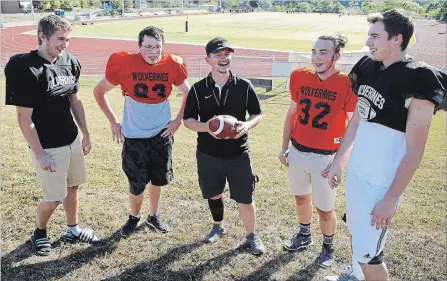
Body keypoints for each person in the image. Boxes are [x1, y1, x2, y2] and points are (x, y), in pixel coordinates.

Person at [324, 10, 447, 281]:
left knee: (370, 254)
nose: (368, 42)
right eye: (369, 35)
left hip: (381, 181)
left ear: (397, 39)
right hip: (358, 171)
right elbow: (355, 122)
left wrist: (390, 198)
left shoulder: (420, 78)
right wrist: (338, 162)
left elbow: (415, 151)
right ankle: (355, 276)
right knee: (356, 231)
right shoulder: (368, 67)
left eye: (375, 36)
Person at [4, 15, 98, 256]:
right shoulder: (25, 67)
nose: (64, 45)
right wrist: (40, 155)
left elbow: (75, 102)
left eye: (67, 39)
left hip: (71, 139)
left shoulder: (70, 61)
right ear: (42, 37)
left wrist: (85, 134)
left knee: (73, 186)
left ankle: (73, 229)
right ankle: (39, 232)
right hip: (48, 146)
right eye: (60, 39)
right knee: (54, 197)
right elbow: (24, 118)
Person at [93, 26, 190, 237]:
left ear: (162, 47)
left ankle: (153, 216)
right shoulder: (125, 63)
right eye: (147, 47)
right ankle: (134, 217)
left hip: (161, 135)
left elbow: (188, 93)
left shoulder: (172, 64)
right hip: (134, 135)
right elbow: (98, 91)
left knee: (158, 179)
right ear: (139, 47)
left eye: (157, 47)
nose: (153, 52)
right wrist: (113, 121)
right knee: (136, 183)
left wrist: (177, 122)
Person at [279, 35, 357, 268]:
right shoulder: (299, 76)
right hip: (298, 151)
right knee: (301, 197)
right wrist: (284, 146)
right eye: (314, 51)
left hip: (326, 157)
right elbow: (291, 114)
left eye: (323, 52)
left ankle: (328, 246)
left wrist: (339, 164)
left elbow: (353, 127)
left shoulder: (347, 83)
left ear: (336, 56)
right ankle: (304, 235)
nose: (317, 57)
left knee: (325, 209)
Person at [183, 37, 265, 255]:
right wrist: (209, 128)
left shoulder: (244, 86)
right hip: (208, 154)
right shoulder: (198, 89)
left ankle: (251, 236)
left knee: (245, 198)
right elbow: (188, 120)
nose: (224, 58)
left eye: (227, 54)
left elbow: (257, 113)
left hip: (238, 154)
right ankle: (218, 226)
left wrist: (247, 125)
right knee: (214, 194)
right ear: (208, 59)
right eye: (218, 55)